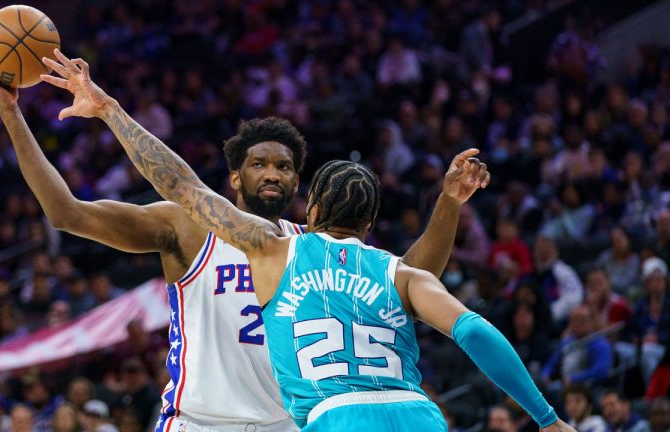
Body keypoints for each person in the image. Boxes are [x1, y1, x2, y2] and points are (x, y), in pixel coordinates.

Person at [36, 49, 571, 431]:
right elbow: (453, 312)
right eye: (260, 164)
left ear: (306, 195)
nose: (272, 174)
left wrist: (108, 109)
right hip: (248, 417)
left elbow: (180, 181)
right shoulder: (387, 270)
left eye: (284, 166)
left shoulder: (277, 247)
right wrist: (547, 419)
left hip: (315, 418)